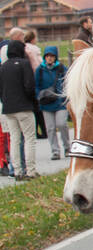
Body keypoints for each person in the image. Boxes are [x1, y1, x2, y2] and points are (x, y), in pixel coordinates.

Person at [0, 38, 39, 179]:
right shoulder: (24, 64)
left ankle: (16, 171)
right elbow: (30, 86)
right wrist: (33, 101)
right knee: (29, 139)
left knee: (14, 139)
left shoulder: (3, 67)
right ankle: (31, 171)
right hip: (24, 107)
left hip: (8, 108)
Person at [35, 45, 70, 159]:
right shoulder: (39, 70)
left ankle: (67, 147)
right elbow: (36, 86)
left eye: (52, 56)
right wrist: (39, 96)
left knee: (62, 124)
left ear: (56, 57)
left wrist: (64, 98)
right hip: (46, 104)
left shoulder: (61, 68)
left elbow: (66, 83)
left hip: (60, 102)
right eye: (48, 56)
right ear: (45, 57)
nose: (50, 58)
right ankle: (55, 150)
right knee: (50, 128)